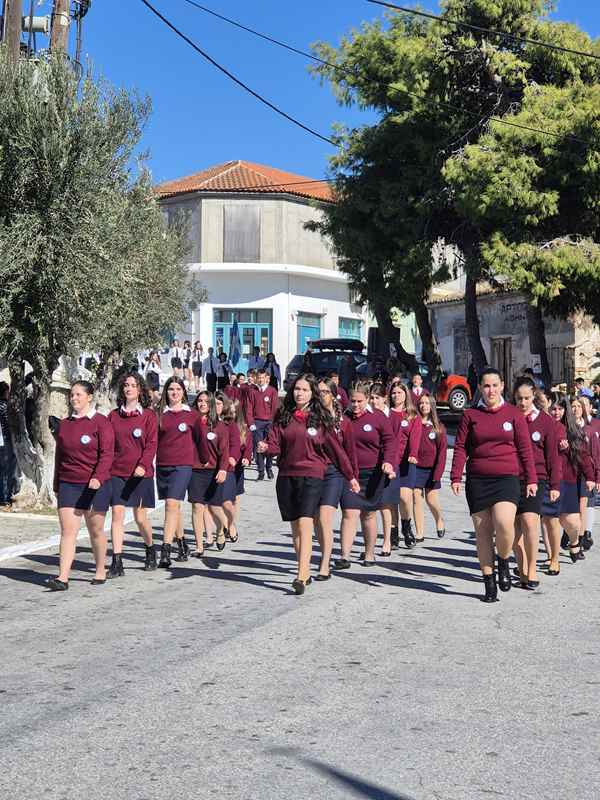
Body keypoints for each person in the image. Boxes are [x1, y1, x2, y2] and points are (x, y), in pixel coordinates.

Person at [257, 373, 356, 594]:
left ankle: (301, 575)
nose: (299, 393)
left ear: (312, 394)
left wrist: (350, 476)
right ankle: (305, 569)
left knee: (305, 523)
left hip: (312, 475)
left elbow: (336, 451)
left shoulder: (320, 419)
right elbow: (275, 443)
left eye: (304, 390)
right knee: (295, 527)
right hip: (287, 475)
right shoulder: (284, 415)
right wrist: (266, 447)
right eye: (297, 389)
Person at [450, 367, 537, 603]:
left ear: (502, 386)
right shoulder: (470, 415)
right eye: (486, 386)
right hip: (478, 479)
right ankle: (488, 581)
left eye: (495, 385)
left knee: (504, 523)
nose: (491, 390)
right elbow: (460, 447)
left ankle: (504, 559)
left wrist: (531, 478)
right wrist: (456, 475)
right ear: (479, 387)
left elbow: (525, 448)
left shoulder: (513, 414)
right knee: (483, 532)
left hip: (507, 478)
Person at [47, 381, 115, 590]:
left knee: (96, 530)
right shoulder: (65, 424)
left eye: (78, 394)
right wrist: (57, 484)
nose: (74, 398)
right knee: (68, 531)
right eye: (72, 395)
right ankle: (62, 578)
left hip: (94, 485)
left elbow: (107, 454)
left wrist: (98, 477)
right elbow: (60, 456)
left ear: (89, 397)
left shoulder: (101, 422)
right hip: (69, 483)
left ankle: (100, 569)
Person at [335, 382, 396, 569]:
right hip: (350, 474)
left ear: (368, 399)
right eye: (352, 401)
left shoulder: (378, 417)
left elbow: (390, 442)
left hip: (373, 474)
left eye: (359, 401)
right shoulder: (343, 417)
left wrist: (388, 462)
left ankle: (369, 553)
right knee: (349, 512)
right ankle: (345, 556)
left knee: (368, 514)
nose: (355, 405)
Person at [107, 372, 158, 576]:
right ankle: (117, 561)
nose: (128, 388)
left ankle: (150, 548)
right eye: (126, 385)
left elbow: (152, 444)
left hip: (140, 474)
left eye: (133, 385)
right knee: (117, 514)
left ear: (140, 390)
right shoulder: (113, 416)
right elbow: (107, 444)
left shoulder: (148, 416)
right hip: (117, 472)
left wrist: (143, 465)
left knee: (140, 517)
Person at [511, 377, 561, 588]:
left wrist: (555, 485)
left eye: (527, 398)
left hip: (537, 479)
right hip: (510, 478)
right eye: (519, 398)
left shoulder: (545, 421)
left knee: (530, 522)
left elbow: (553, 457)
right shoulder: (509, 417)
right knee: (512, 530)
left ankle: (532, 571)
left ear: (534, 396)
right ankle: (522, 569)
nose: (523, 402)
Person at [315, 378, 359, 579]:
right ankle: (325, 552)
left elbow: (349, 452)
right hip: (316, 470)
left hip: (337, 471)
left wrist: (353, 476)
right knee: (318, 519)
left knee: (328, 516)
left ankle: (327, 563)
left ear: (333, 395)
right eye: (318, 392)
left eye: (325, 392)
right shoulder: (312, 417)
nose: (321, 395)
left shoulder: (344, 421)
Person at [545, 398, 595, 568]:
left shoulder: (573, 431)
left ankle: (574, 542)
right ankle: (552, 558)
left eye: (560, 409)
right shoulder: (544, 426)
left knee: (571, 522)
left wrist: (590, 477)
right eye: (553, 409)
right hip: (547, 480)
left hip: (568, 480)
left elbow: (584, 456)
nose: (556, 412)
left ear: (565, 410)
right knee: (549, 520)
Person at [155, 377, 198, 568]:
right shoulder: (159, 414)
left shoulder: (192, 415)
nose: (175, 393)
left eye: (178, 389)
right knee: (174, 507)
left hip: (183, 465)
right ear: (166, 392)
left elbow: (200, 440)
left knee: (171, 504)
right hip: (163, 464)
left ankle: (165, 550)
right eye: (171, 389)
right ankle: (182, 544)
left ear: (183, 392)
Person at [189, 391, 229, 555]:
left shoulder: (219, 426)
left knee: (214, 508)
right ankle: (199, 546)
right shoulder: (192, 423)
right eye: (200, 400)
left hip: (214, 471)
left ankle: (221, 530)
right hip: (195, 470)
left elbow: (224, 451)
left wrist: (223, 469)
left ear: (211, 404)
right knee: (197, 507)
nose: (202, 404)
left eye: (206, 401)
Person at [384, 383, 421, 551]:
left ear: (406, 394)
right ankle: (393, 531)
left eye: (399, 392)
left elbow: (415, 437)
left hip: (407, 463)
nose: (396, 396)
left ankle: (406, 525)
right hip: (390, 462)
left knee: (405, 497)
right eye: (393, 393)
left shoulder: (412, 415)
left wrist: (413, 453)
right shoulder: (386, 414)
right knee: (392, 499)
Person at [414, 394, 447, 540]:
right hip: (416, 467)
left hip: (432, 469)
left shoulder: (438, 427)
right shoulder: (414, 423)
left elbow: (442, 453)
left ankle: (439, 519)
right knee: (416, 498)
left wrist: (438, 473)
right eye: (421, 403)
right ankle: (419, 532)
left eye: (427, 403)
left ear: (432, 406)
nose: (424, 406)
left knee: (431, 499)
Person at [572, 396, 600, 552]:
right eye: (573, 406)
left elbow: (596, 453)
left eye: (579, 406)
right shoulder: (566, 427)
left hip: (585, 473)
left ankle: (582, 537)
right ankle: (572, 534)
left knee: (584, 505)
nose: (576, 409)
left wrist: (597, 476)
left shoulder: (591, 428)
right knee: (572, 508)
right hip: (569, 472)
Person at [247, 369, 279, 480]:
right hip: (257, 423)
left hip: (269, 423)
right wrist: (251, 423)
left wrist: (273, 423)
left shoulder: (272, 391)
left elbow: (275, 409)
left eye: (262, 377)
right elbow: (249, 409)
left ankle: (269, 468)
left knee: (269, 446)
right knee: (259, 446)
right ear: (256, 378)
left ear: (266, 378)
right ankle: (261, 471)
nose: (260, 380)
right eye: (259, 378)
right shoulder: (252, 391)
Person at [0, 382, 16, 508]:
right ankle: (5, 497)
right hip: (4, 442)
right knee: (7, 470)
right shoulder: (4, 406)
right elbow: (8, 423)